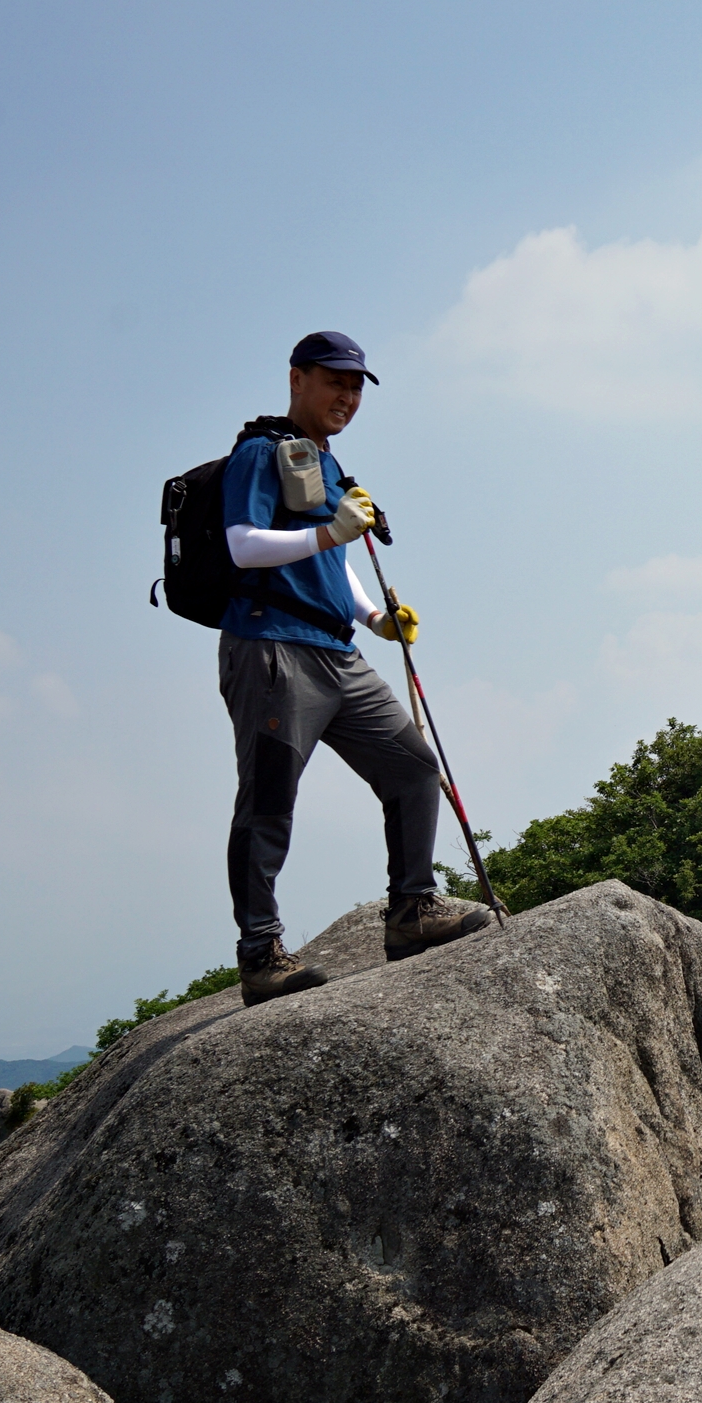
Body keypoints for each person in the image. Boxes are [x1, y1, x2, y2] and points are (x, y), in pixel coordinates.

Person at [218, 331, 492, 1003]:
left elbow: (333, 560)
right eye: (334, 381)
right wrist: (330, 531)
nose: (346, 396)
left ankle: (412, 910)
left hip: (340, 650)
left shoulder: (326, 463)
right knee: (269, 800)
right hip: (273, 646)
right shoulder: (259, 453)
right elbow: (243, 545)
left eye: (354, 386)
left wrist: (375, 618)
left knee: (413, 767)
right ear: (297, 379)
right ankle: (260, 955)